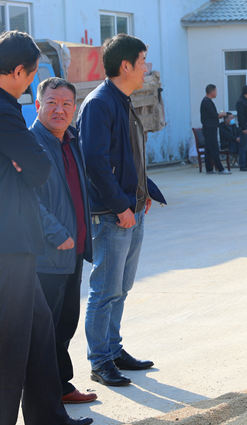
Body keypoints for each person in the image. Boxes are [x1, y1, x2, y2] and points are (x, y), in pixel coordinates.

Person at [0, 30, 92, 425]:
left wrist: (21, 164)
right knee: (6, 343)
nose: (30, 84)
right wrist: (23, 164)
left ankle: (49, 417)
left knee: (39, 329)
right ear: (17, 72)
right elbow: (40, 168)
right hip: (1, 241)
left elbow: (27, 165)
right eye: (31, 75)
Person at [78, 33, 166, 387]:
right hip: (112, 214)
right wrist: (120, 206)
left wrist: (143, 193)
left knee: (121, 287)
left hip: (132, 208)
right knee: (105, 290)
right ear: (125, 65)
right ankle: (100, 360)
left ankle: (113, 350)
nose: (146, 68)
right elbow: (95, 163)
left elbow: (129, 157)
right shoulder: (100, 104)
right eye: (142, 62)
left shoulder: (123, 101)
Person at [31, 77, 97, 404]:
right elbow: (26, 197)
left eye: (67, 104)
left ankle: (60, 387)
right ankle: (46, 397)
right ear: (37, 105)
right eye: (52, 103)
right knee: (45, 329)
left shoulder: (72, 140)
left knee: (65, 324)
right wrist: (55, 232)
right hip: (47, 254)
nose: (60, 109)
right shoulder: (30, 144)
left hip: (74, 251)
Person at [200, 84, 230, 174]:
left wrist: (218, 116)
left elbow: (211, 115)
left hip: (210, 127)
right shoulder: (206, 101)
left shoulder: (207, 101)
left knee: (208, 149)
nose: (216, 93)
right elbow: (213, 114)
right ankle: (220, 169)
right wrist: (221, 114)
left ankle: (209, 169)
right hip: (209, 128)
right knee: (214, 148)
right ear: (212, 91)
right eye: (216, 91)